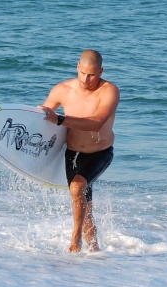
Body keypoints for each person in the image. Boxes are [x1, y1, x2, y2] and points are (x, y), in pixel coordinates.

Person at [39, 49, 120, 253]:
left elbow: (97, 123)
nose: (86, 79)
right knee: (84, 207)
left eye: (91, 75)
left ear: (100, 71)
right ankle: (95, 254)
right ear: (77, 67)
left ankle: (75, 242)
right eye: (82, 73)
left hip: (100, 153)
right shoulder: (63, 89)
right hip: (73, 154)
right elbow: (41, 118)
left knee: (77, 189)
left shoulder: (109, 91)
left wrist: (59, 119)